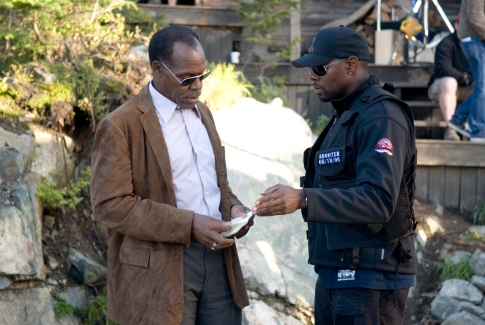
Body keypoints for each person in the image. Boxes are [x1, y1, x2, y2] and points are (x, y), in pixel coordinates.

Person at [253, 26, 417, 325]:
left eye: (319, 67)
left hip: (369, 281)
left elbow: (378, 200)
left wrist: (304, 198)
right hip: (334, 276)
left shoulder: (381, 117)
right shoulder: (346, 114)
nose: (312, 75)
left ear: (351, 65)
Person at [90, 25, 251, 325]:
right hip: (158, 271)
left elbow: (215, 184)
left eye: (203, 75)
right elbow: (109, 205)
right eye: (188, 78)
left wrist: (233, 208)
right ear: (158, 69)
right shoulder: (120, 125)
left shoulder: (203, 113)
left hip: (219, 262)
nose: (198, 86)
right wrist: (188, 225)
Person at [428, 12, 473, 141]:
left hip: (467, 88)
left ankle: (476, 128)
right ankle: (451, 129)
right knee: (449, 82)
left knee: (482, 86)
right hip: (442, 87)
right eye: (463, 24)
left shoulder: (475, 45)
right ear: (456, 25)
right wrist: (463, 77)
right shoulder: (445, 44)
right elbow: (444, 69)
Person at [447, 0, 485, 142]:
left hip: (476, 39)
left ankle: (458, 119)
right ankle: (478, 130)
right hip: (475, 39)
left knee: (482, 87)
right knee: (482, 87)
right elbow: (475, 14)